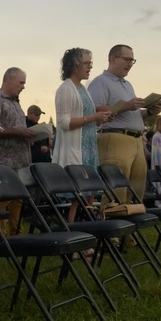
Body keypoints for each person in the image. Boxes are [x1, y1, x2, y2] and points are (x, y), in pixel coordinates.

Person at [88, 44, 161, 201]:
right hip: (115, 139)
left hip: (135, 140)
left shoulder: (127, 84)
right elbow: (94, 110)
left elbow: (131, 116)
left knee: (136, 189)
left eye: (132, 60)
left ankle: (132, 222)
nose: (130, 64)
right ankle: (111, 221)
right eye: (127, 59)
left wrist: (149, 111)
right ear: (113, 59)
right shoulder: (100, 82)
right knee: (117, 191)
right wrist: (126, 106)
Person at [53, 48, 110, 220]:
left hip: (89, 148)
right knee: (77, 198)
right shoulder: (66, 89)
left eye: (90, 63)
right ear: (74, 65)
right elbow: (63, 122)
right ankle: (73, 234)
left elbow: (87, 119)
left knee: (90, 195)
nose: (89, 67)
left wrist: (99, 120)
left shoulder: (83, 90)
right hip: (75, 150)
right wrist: (93, 117)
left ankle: (90, 232)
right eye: (86, 63)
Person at [0, 68, 35, 233]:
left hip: (19, 163)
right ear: (9, 80)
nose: (23, 87)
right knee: (2, 200)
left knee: (17, 200)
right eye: (21, 82)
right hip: (2, 162)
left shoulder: (15, 103)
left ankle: (16, 234)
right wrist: (21, 132)